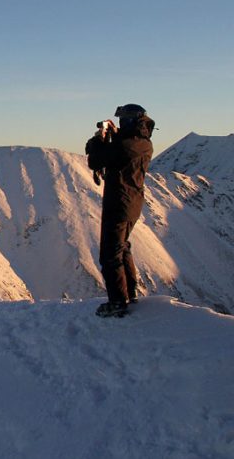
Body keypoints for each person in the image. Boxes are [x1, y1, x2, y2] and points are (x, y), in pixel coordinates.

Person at [85, 104, 154, 317]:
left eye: (124, 120)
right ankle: (129, 294)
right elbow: (119, 153)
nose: (122, 124)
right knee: (122, 247)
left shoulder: (126, 145)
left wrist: (99, 138)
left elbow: (96, 158)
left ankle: (118, 302)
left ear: (132, 122)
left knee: (110, 253)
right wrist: (114, 135)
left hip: (119, 203)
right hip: (131, 203)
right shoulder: (142, 143)